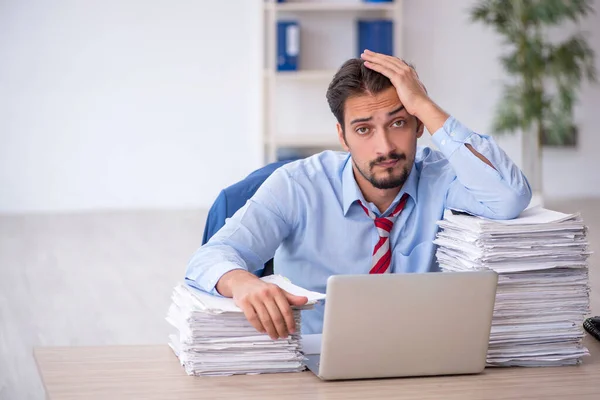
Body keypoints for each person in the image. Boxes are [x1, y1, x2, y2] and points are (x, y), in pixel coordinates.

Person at [185, 50, 532, 339]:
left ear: (418, 124)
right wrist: (242, 281)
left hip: (420, 359)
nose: (384, 147)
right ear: (342, 135)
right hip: (311, 363)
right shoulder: (297, 185)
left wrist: (424, 104)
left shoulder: (442, 178)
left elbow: (509, 197)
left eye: (398, 123)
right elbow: (209, 257)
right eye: (363, 129)